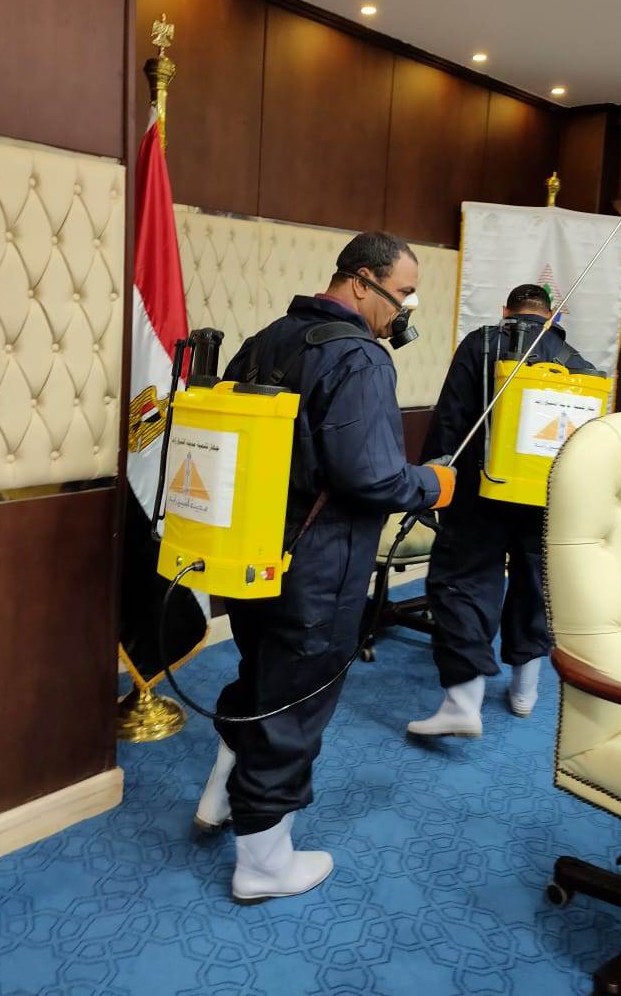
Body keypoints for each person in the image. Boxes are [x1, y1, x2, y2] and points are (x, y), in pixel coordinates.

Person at [195, 232, 456, 903]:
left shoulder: (268, 339)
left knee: (261, 676)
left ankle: (221, 794)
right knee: (295, 705)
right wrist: (433, 484)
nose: (405, 311)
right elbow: (371, 477)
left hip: (252, 557)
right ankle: (262, 864)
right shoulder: (360, 359)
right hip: (319, 568)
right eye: (402, 295)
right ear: (362, 281)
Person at [407, 283, 595, 737]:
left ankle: (462, 703)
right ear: (553, 316)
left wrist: (431, 486)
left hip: (478, 493)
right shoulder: (578, 364)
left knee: (464, 583)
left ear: (505, 310)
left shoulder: (481, 344)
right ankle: (524, 692)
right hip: (544, 500)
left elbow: (450, 417)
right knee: (535, 585)